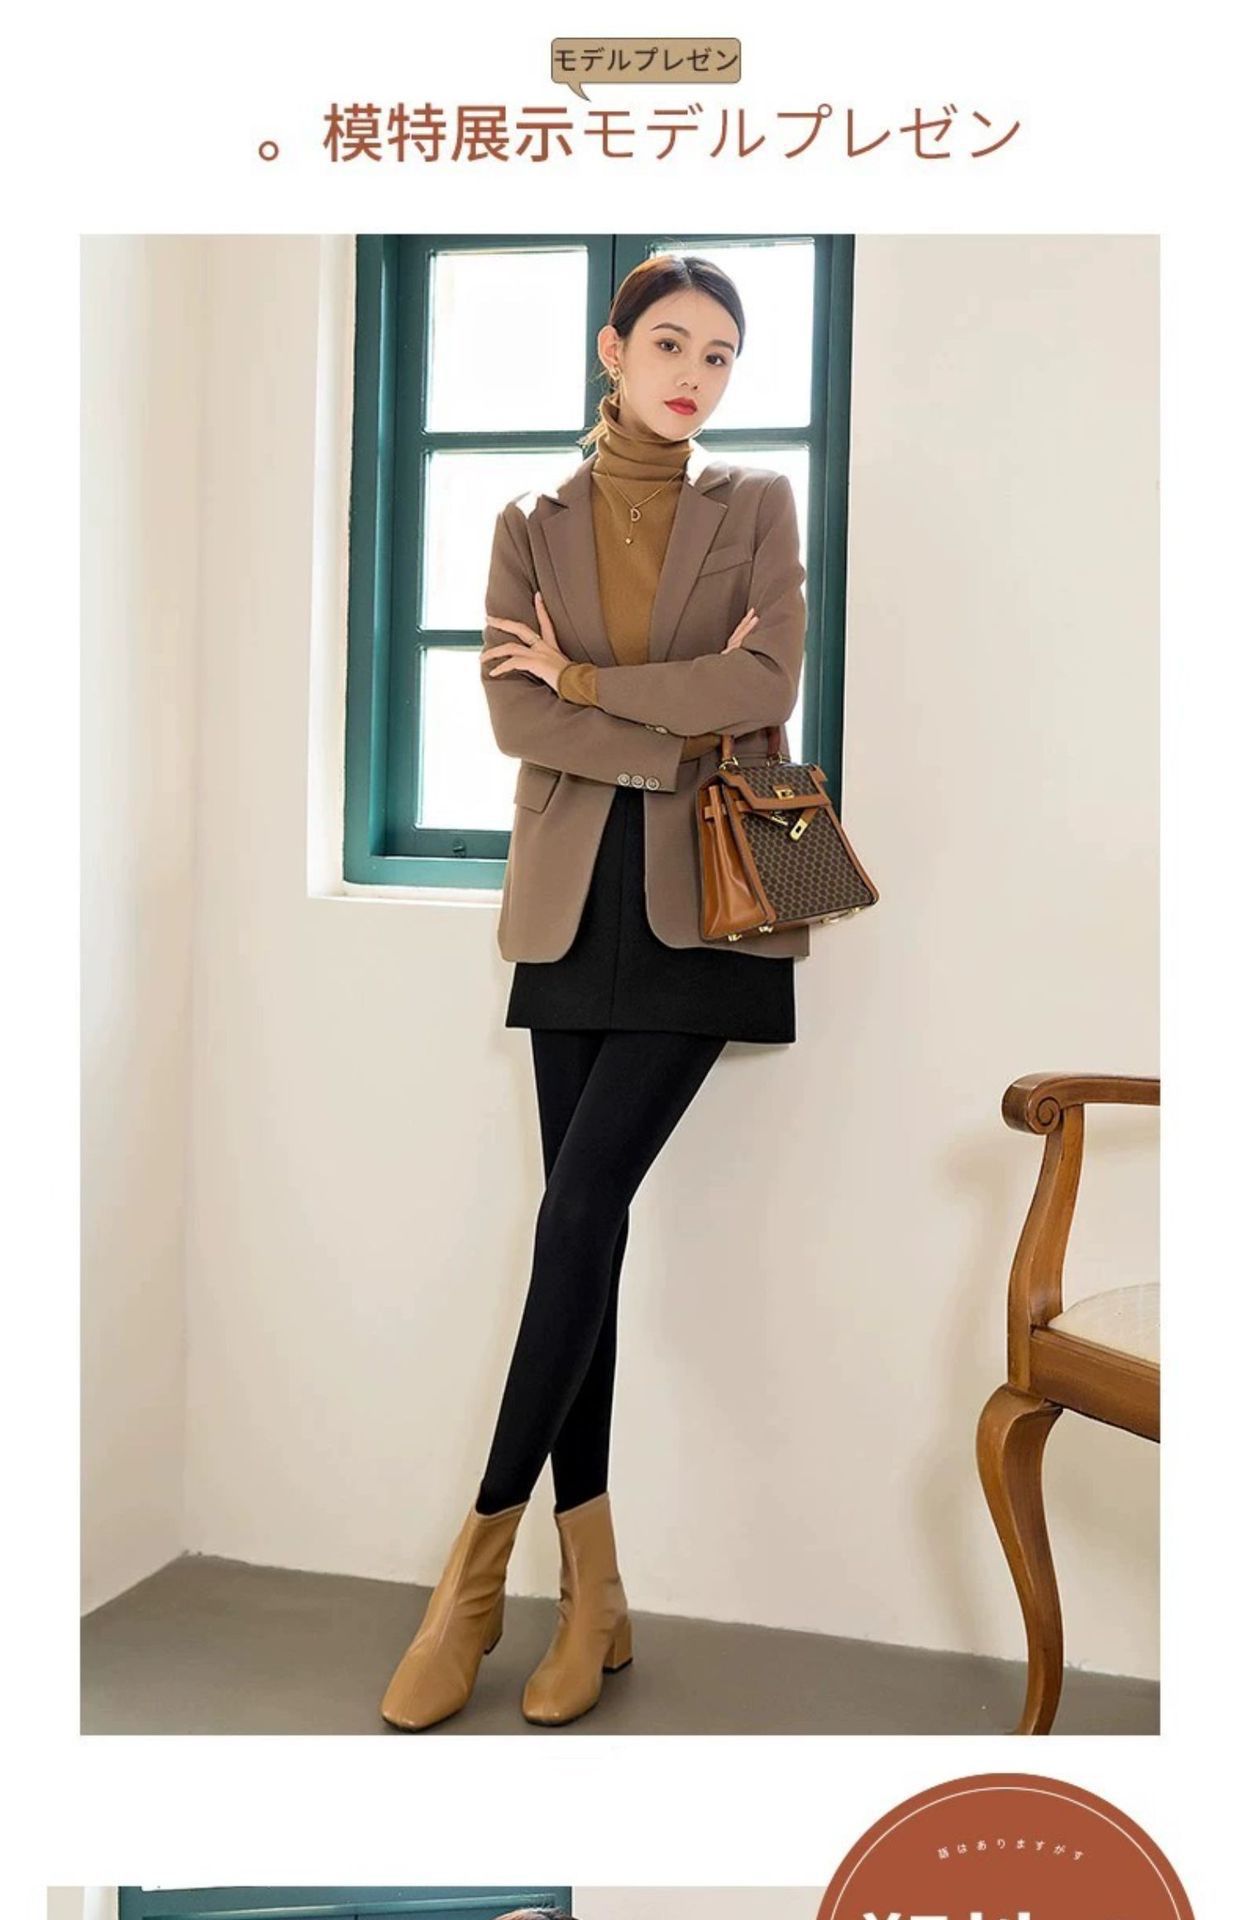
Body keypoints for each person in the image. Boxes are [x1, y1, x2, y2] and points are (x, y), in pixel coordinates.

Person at [381, 253, 808, 1732]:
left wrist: (589, 689)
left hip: (710, 906)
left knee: (573, 1217)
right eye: (672, 344)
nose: (697, 375)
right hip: (568, 908)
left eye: (723, 356)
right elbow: (515, 717)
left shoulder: (756, 506)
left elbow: (763, 690)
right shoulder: (530, 525)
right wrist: (648, 711)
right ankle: (595, 1596)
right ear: (614, 352)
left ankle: (471, 1574)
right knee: (590, 1236)